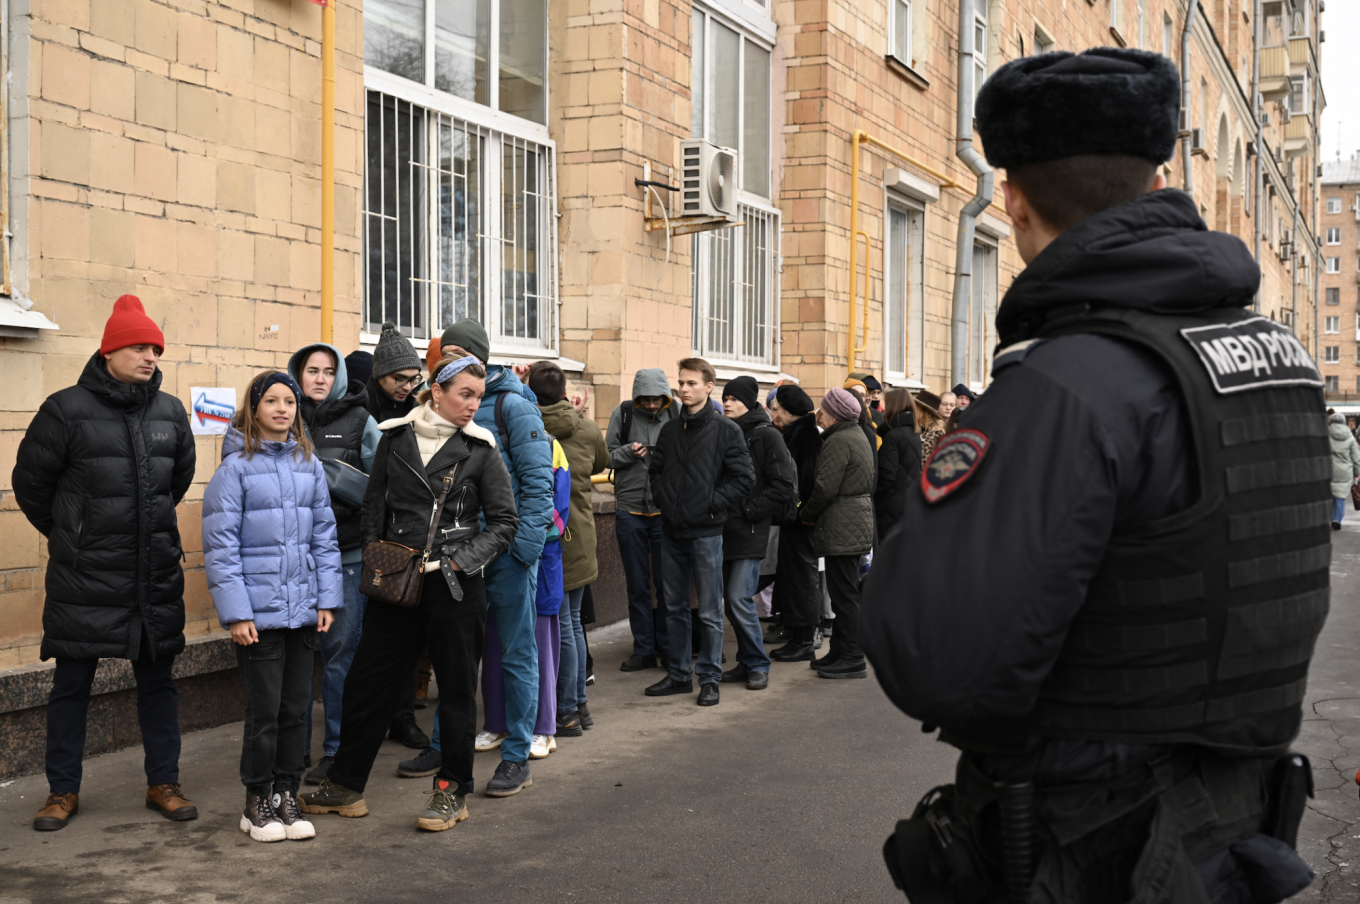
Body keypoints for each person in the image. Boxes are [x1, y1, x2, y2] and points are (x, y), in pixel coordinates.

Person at [864, 48, 1322, 902]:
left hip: (1094, 841)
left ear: (1013, 201)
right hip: (1233, 824)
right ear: (1156, 185)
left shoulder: (1063, 387)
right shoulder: (1282, 361)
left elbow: (936, 656)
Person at [301, 355, 518, 832]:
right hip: (396, 582)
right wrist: (382, 557)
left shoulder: (481, 448)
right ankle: (345, 784)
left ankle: (452, 792)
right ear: (437, 391)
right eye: (465, 394)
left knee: (457, 691)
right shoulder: (395, 437)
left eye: (479, 397)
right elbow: (373, 506)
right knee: (368, 683)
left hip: (455, 586)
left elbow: (504, 523)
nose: (473, 406)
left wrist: (459, 560)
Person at [14, 295, 198, 832]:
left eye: (155, 349)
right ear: (110, 350)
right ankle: (61, 791)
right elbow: (31, 487)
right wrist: (72, 536)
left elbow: (176, 481)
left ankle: (164, 782)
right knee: (72, 686)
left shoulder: (169, 411)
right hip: (84, 578)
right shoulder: (64, 409)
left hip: (152, 576)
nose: (150, 357)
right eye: (139, 347)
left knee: (159, 684)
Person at [202, 371, 343, 842]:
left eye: (290, 401)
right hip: (258, 617)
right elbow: (221, 548)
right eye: (272, 401)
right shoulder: (235, 469)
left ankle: (287, 792)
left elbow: (325, 539)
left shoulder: (310, 465)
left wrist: (328, 598)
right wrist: (238, 612)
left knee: (297, 710)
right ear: (254, 408)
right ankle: (256, 799)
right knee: (264, 711)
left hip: (303, 610)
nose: (283, 409)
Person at [430, 319, 553, 797]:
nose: (450, 360)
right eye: (445, 352)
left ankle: (517, 755)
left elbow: (538, 482)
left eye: (460, 352)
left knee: (517, 653)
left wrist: (523, 550)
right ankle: (445, 747)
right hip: (459, 557)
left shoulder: (514, 405)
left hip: (506, 555)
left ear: (481, 357)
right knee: (455, 657)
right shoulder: (445, 403)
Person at [286, 342, 404, 784]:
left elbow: (384, 486)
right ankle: (293, 748)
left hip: (347, 557)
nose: (318, 378)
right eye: (311, 369)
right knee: (296, 658)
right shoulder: (283, 417)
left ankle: (336, 750)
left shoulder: (361, 421)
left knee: (339, 657)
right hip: (294, 560)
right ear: (297, 374)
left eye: (327, 370)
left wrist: (332, 481)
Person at [645, 358, 755, 706]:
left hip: (707, 532)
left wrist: (710, 503)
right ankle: (679, 674)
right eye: (681, 382)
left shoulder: (727, 430)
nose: (683, 388)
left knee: (709, 610)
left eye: (691, 383)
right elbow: (657, 471)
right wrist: (664, 500)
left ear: (709, 387)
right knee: (673, 606)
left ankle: (709, 677)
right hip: (672, 530)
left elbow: (744, 479)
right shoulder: (670, 430)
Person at [531, 362, 609, 734]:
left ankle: (566, 710)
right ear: (565, 393)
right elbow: (603, 463)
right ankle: (579, 705)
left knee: (559, 627)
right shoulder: (588, 429)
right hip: (581, 536)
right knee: (574, 624)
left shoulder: (526, 427)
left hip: (549, 540)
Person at [719, 376, 795, 691]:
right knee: (730, 601)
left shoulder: (766, 436)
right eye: (725, 398)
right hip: (723, 528)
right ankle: (747, 661)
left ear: (750, 402)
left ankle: (759, 664)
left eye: (734, 399)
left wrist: (750, 511)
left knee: (739, 597)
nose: (727, 403)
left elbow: (783, 486)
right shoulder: (725, 432)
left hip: (749, 529)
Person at [606, 369, 679, 671]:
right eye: (646, 401)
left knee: (667, 585)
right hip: (630, 509)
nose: (651, 406)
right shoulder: (622, 414)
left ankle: (667, 646)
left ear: (665, 398)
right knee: (637, 585)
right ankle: (643, 649)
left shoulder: (676, 413)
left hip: (665, 510)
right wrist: (627, 452)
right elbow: (606, 456)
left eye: (656, 400)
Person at [800, 389, 874, 679]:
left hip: (842, 523)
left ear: (833, 413)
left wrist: (806, 514)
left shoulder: (838, 440)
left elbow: (824, 488)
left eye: (823, 409)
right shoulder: (856, 435)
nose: (820, 414)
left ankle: (853, 656)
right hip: (852, 521)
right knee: (845, 591)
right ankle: (839, 651)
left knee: (844, 596)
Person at [767, 385, 823, 660]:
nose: (775, 412)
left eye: (778, 408)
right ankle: (794, 631)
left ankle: (803, 640)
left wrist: (798, 511)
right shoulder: (797, 433)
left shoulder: (805, 437)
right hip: (795, 519)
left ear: (789, 411)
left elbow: (805, 483)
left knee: (801, 577)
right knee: (792, 575)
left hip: (801, 522)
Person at [874, 388, 922, 537]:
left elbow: (887, 475)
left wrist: (874, 497)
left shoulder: (892, 436)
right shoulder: (914, 433)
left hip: (891, 507)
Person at [365, 321, 424, 424]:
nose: (408, 388)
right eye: (401, 379)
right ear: (380, 375)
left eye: (414, 379)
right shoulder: (357, 415)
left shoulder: (421, 413)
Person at [1329, 411, 1360, 530]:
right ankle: (1336, 519)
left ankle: (1328, 518)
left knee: (1329, 495)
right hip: (1344, 471)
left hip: (1328, 469)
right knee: (1339, 496)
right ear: (1344, 422)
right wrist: (1357, 473)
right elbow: (1355, 458)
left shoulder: (1325, 435)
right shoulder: (1350, 438)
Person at [913, 390, 945, 459]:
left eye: (916, 407)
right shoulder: (918, 428)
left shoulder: (936, 432)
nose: (913, 409)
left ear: (923, 411)